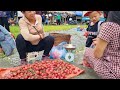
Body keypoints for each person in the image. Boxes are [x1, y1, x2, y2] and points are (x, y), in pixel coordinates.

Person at [82, 11, 120, 79]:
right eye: (91, 17)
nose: (93, 18)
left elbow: (97, 54)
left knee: (87, 52)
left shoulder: (108, 25)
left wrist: (99, 42)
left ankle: (88, 65)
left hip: (113, 73)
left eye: (95, 16)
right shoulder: (90, 24)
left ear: (101, 14)